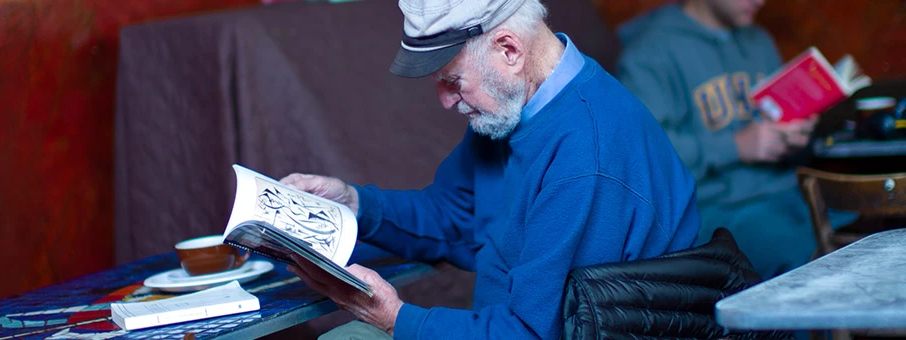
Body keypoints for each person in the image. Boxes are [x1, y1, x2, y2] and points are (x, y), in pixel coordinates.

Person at [280, 0, 700, 339]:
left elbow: (536, 334)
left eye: (453, 80)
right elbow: (451, 218)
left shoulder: (586, 158)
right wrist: (355, 203)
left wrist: (396, 319)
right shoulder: (514, 108)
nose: (445, 101)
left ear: (510, 50)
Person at [616, 0, 854, 280]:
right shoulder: (649, 53)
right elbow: (646, 158)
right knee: (817, 262)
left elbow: (772, 129)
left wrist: (790, 136)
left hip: (787, 195)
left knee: (872, 237)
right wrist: (736, 146)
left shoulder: (759, 40)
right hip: (717, 212)